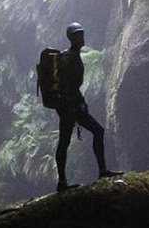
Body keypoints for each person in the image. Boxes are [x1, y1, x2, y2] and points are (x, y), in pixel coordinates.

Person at [41, 23, 122, 191]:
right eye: (78, 34)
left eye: (82, 34)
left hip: (72, 105)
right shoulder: (68, 57)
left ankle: (91, 173)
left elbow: (72, 85)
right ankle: (67, 180)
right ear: (71, 38)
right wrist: (72, 106)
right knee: (73, 139)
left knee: (69, 140)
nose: (81, 37)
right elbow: (65, 85)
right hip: (69, 107)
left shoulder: (73, 55)